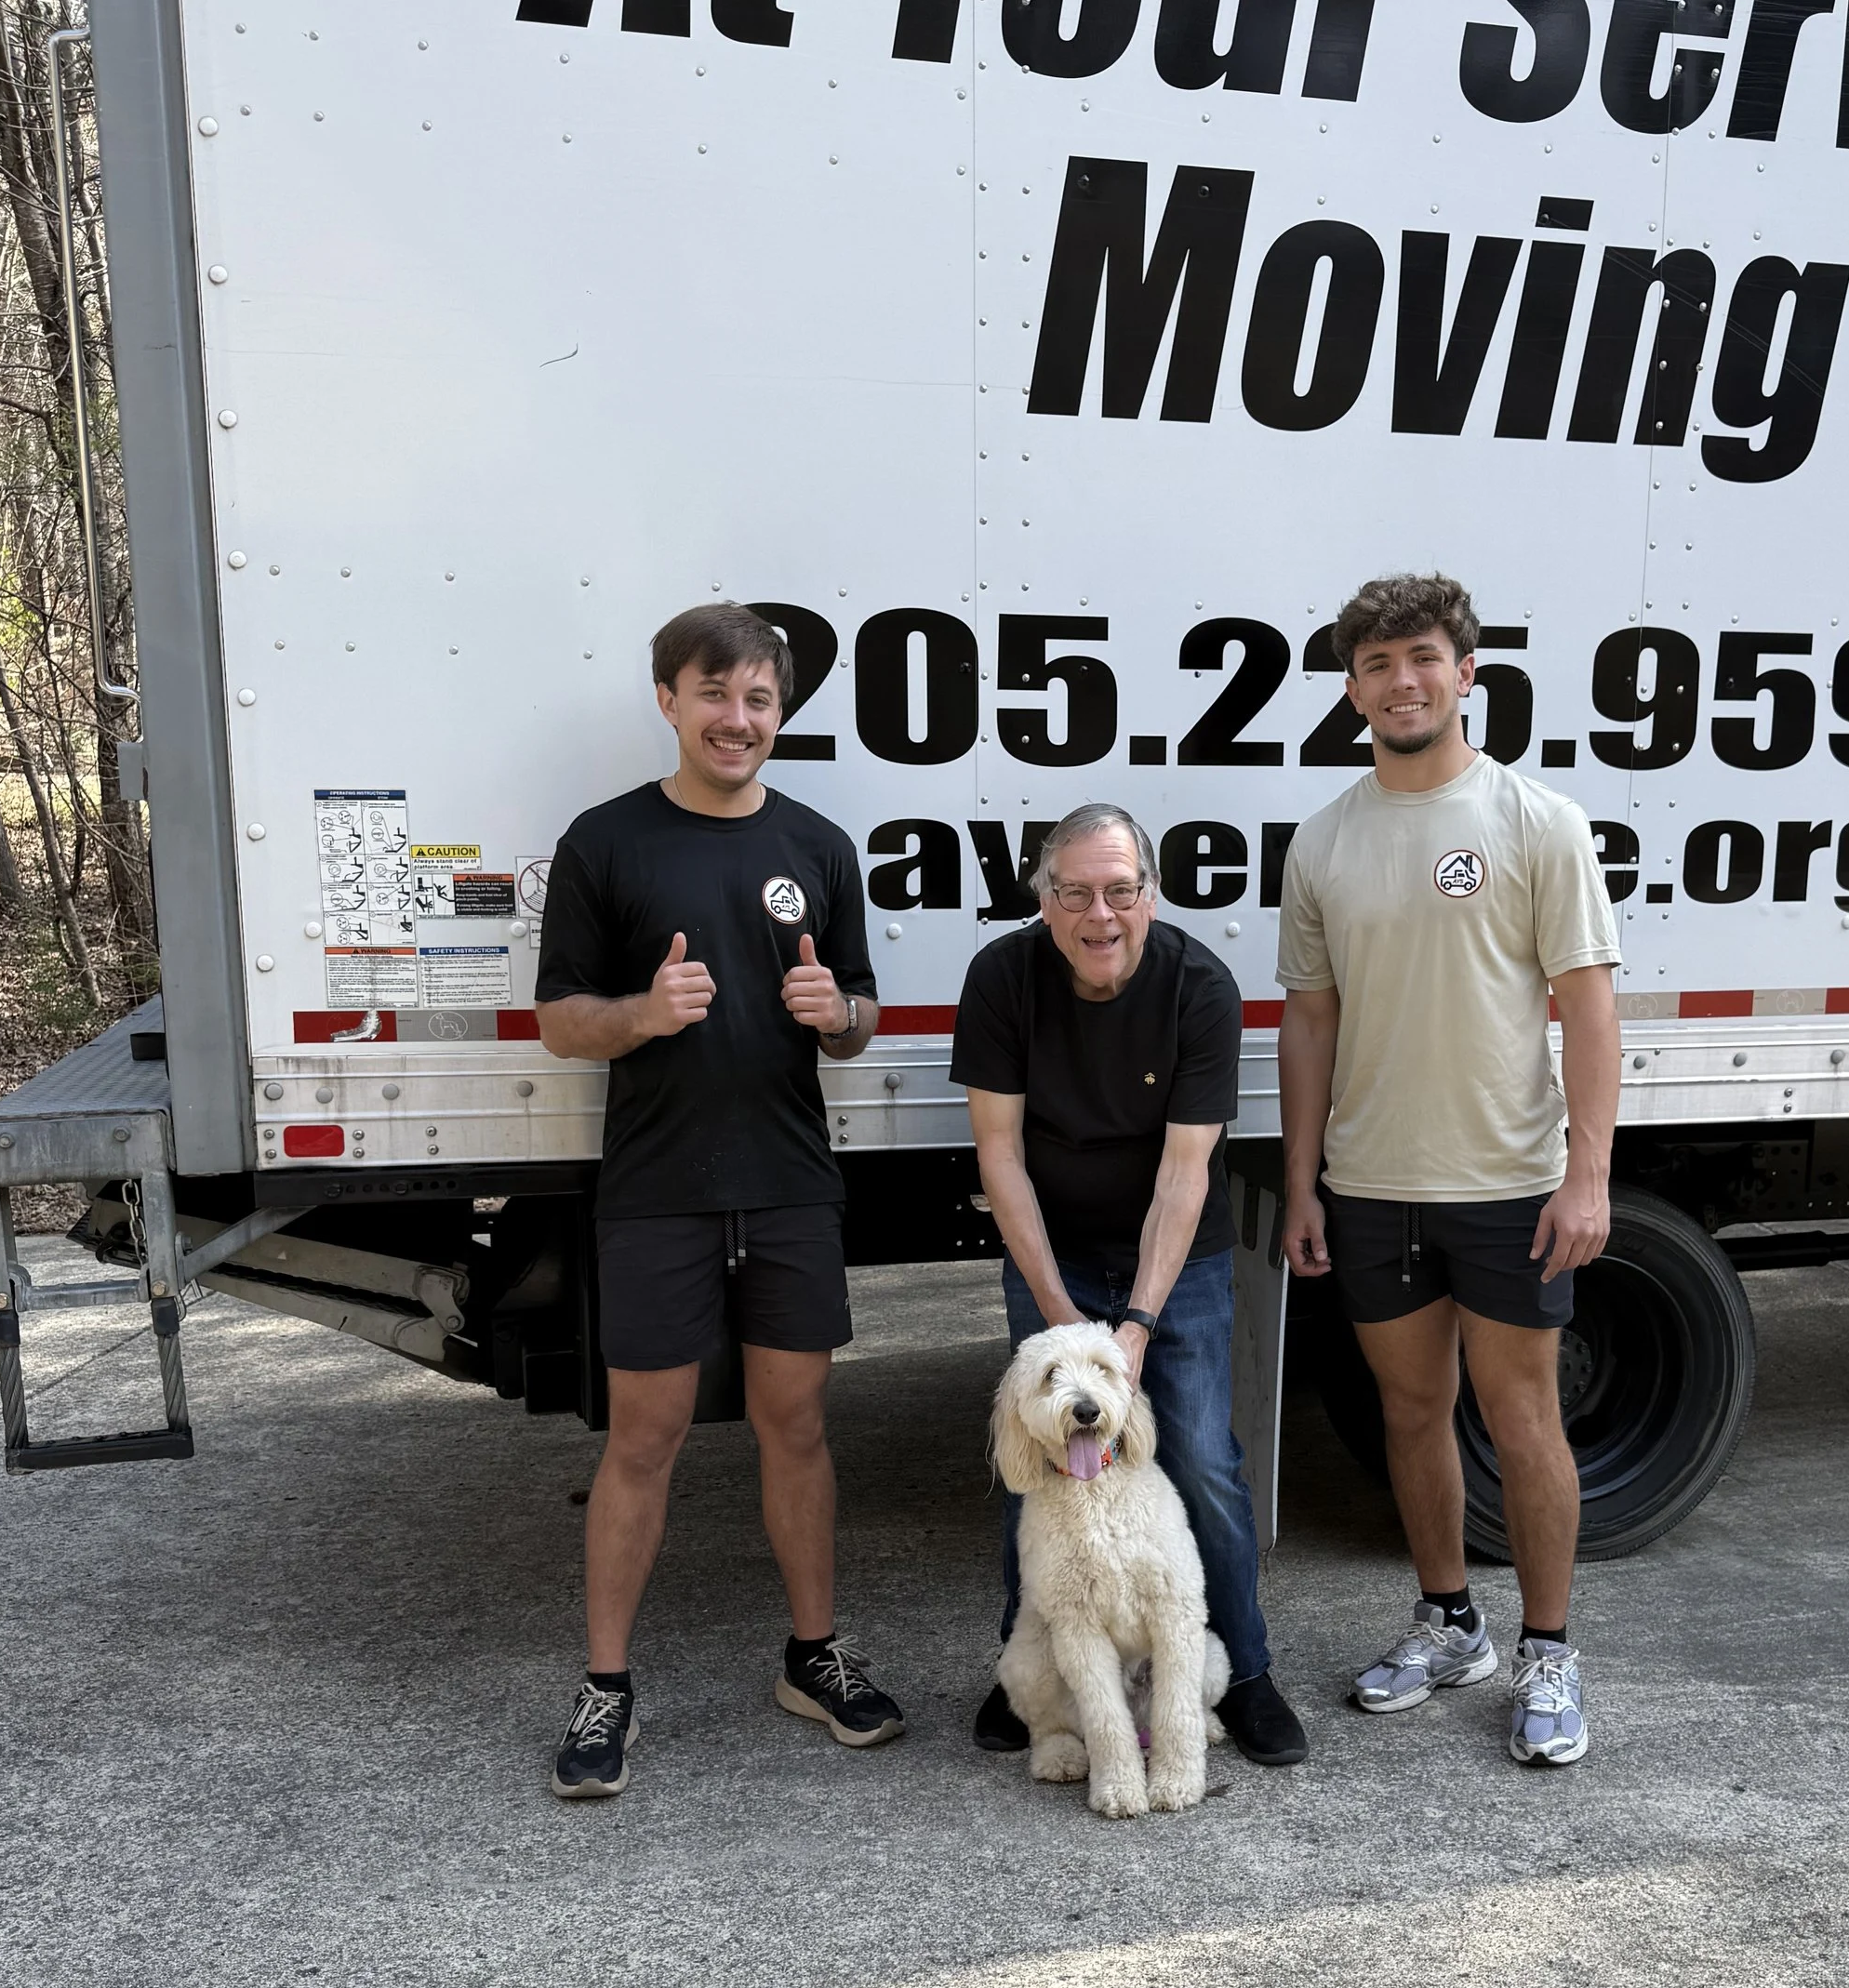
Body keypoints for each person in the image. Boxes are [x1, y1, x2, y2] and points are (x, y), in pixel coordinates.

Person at [531, 602, 905, 1798]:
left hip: (790, 1187)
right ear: (668, 701)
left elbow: (859, 1010)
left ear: (777, 713)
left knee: (797, 1427)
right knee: (646, 1440)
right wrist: (643, 1014)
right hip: (656, 1194)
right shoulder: (607, 843)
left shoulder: (819, 846)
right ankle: (605, 1689)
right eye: (713, 695)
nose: (735, 720)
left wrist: (835, 1019)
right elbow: (558, 1023)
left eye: (757, 700)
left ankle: (813, 1656)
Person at [1277, 575, 1621, 1766]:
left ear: (1466, 672)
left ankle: (1548, 1649)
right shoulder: (1323, 840)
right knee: (1410, 1413)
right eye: (1377, 666)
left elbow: (1587, 1008)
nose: (1402, 682)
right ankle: (1448, 1621)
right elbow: (1309, 1022)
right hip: (1374, 1186)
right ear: (1352, 689)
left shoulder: (1537, 823)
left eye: (1423, 657)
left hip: (1508, 1184)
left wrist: (1587, 1177)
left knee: (1522, 1419)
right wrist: (1307, 1179)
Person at [952, 803, 1308, 1769]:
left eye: (1118, 890)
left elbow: (1185, 1174)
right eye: (1072, 893)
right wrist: (1069, 1335)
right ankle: (1029, 1678)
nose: (1097, 914)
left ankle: (1246, 1677)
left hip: (1173, 1258)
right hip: (1052, 1251)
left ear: (1148, 895)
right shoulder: (1001, 978)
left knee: (1196, 1459)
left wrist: (1134, 1328)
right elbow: (1000, 1157)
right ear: (1044, 900)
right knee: (1039, 1461)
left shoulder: (1200, 987)